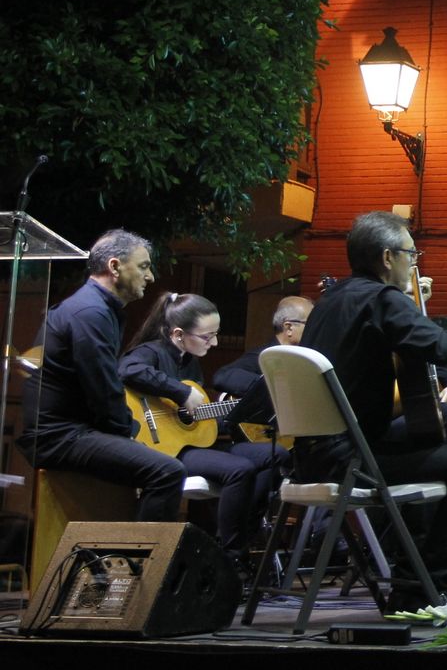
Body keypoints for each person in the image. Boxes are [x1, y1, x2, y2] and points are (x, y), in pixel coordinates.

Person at [298, 211, 447, 609]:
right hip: (352, 458)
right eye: (411, 254)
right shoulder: (381, 299)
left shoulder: (329, 301)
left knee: (438, 427)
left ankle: (409, 574)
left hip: (311, 454)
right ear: (388, 258)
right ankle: (427, 587)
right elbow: (441, 347)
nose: (414, 262)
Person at [18, 229, 185, 521]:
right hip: (59, 436)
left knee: (160, 464)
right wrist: (129, 433)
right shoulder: (90, 312)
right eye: (144, 266)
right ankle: (140, 552)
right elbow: (103, 389)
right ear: (114, 266)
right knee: (168, 472)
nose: (150, 277)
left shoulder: (97, 308)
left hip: (70, 431)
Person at [118, 293, 288, 572]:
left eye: (216, 334)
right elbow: (127, 370)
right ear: (178, 334)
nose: (215, 343)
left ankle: (242, 534)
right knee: (240, 470)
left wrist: (240, 414)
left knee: (276, 455)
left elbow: (197, 421)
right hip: (164, 450)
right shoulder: (151, 351)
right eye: (207, 337)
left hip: (191, 444)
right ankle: (230, 558)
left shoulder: (190, 362)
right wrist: (182, 392)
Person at [210, 294, 314, 428]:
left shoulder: (303, 358)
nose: (315, 328)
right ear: (289, 328)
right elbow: (222, 376)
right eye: (310, 323)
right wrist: (273, 388)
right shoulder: (264, 356)